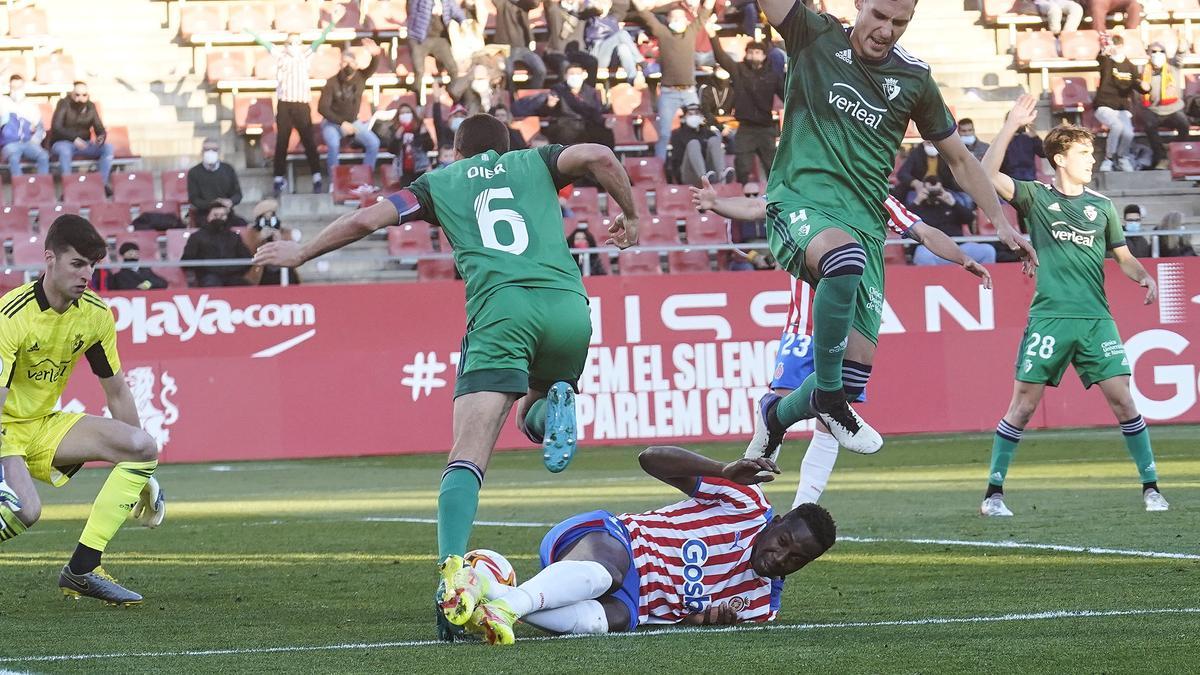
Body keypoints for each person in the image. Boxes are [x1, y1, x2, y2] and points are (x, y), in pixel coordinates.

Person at [252, 114, 641, 642]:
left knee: (467, 455)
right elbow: (599, 155)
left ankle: (453, 579)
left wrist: (299, 253)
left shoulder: (439, 183)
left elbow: (367, 220)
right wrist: (630, 214)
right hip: (570, 307)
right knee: (532, 410)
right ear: (506, 147)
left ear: (457, 152)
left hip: (503, 311)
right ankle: (552, 407)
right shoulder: (537, 162)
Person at [746, 0, 1034, 458]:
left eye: (900, 22)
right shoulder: (815, 34)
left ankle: (775, 416)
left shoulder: (914, 78)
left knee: (851, 375)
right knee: (844, 262)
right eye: (878, 15)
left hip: (865, 225)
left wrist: (1000, 220)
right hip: (801, 203)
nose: (886, 30)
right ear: (858, 5)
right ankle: (831, 401)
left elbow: (959, 159)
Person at [692, 178, 992, 507]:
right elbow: (756, 206)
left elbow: (923, 231)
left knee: (830, 420)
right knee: (779, 410)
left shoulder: (875, 196)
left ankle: (801, 509)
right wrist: (717, 203)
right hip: (803, 325)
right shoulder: (802, 189)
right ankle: (749, 507)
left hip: (851, 326)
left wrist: (962, 257)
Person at [979, 95, 1167, 516]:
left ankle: (1151, 488)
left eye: (1093, 153)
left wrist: (1143, 276)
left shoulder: (1102, 208)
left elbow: (1122, 257)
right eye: (1084, 153)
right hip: (1049, 318)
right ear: (1060, 159)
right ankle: (993, 494)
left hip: (1097, 321)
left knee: (1125, 402)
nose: (1092, 160)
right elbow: (986, 173)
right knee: (1023, 406)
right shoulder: (1035, 198)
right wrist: (1010, 124)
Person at [455, 446, 836, 645]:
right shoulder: (746, 503)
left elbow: (681, 621)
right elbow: (650, 459)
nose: (781, 557)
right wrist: (721, 470)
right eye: (784, 542)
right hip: (611, 540)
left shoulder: (760, 606)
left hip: (635, 601)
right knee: (608, 572)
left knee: (612, 621)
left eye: (797, 559)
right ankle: (507, 606)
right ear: (777, 521)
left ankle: (488, 590)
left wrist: (697, 622)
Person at [0, 215, 164, 605]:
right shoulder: (11, 314)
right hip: (5, 423)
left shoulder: (94, 315)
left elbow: (118, 392)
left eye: (92, 265)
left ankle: (83, 569)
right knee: (25, 510)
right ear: (49, 259)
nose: (86, 274)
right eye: (77, 263)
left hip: (41, 424)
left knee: (143, 447)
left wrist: (140, 475)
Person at [246, 25, 335, 196]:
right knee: (282, 141)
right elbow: (265, 43)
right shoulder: (281, 56)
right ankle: (278, 177)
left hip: (301, 104)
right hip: (285, 103)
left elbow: (319, 41)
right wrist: (250, 31)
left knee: (308, 140)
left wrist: (331, 24)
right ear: (286, 44)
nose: (294, 45)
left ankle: (316, 176)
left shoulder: (305, 56)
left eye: (297, 42)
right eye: (291, 42)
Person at [632, 0, 714, 159]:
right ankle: (659, 168)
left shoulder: (691, 31)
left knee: (697, 129)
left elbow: (706, 10)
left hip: (689, 91)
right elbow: (645, 14)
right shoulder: (663, 33)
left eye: (680, 18)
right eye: (674, 18)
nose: (677, 21)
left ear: (686, 20)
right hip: (668, 93)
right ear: (668, 20)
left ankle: (700, 166)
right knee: (663, 134)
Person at [708, 29, 783, 183]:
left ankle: (774, 201)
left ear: (764, 55)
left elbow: (786, 95)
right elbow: (721, 57)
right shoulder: (738, 70)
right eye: (750, 52)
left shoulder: (773, 75)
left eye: (757, 52)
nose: (753, 55)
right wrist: (712, 35)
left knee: (772, 167)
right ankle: (744, 198)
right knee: (742, 167)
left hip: (765, 128)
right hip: (745, 128)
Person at [318, 39, 383, 184]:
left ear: (356, 64)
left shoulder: (361, 77)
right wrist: (341, 123)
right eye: (344, 63)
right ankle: (334, 182)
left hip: (354, 122)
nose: (347, 66)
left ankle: (365, 179)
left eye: (350, 62)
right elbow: (322, 108)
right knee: (333, 144)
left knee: (373, 143)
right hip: (332, 123)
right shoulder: (331, 82)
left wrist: (376, 55)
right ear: (340, 65)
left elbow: (373, 66)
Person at [907, 176, 996, 266]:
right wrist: (917, 201)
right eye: (931, 192)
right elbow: (905, 221)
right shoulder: (918, 208)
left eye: (937, 191)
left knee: (988, 251)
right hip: (930, 249)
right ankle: (933, 280)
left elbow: (969, 218)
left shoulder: (950, 204)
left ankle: (983, 279)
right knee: (922, 255)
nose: (933, 194)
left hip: (958, 247)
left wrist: (953, 203)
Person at [1092, 35, 1146, 172]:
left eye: (1115, 45)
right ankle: (1108, 158)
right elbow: (1100, 60)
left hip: (1121, 108)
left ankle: (1122, 157)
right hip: (1104, 105)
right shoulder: (1107, 62)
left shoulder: (1130, 66)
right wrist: (1105, 52)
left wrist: (1146, 87)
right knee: (1116, 126)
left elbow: (1137, 85)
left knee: (1129, 133)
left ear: (1121, 46)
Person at [50, 81, 114, 193]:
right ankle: (68, 188)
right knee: (64, 151)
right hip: (64, 143)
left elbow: (99, 127)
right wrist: (74, 139)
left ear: (88, 95)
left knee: (108, 148)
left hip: (85, 144)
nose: (80, 98)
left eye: (84, 95)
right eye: (77, 95)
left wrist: (101, 137)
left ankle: (102, 184)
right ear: (71, 94)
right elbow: (56, 127)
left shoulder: (91, 106)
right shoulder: (63, 103)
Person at [1139, 40, 1190, 171]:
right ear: (1149, 54)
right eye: (1154, 52)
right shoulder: (1143, 70)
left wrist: (1182, 48)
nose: (1157, 54)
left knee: (1184, 125)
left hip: (1174, 108)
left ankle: (1172, 147)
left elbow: (1180, 57)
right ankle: (1161, 157)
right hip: (1153, 109)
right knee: (1149, 126)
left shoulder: (1173, 66)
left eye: (1161, 52)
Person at [540, 63, 615, 147]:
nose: (575, 76)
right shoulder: (558, 89)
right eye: (571, 74)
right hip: (565, 123)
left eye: (578, 74)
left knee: (605, 133)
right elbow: (546, 111)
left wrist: (604, 122)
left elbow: (595, 112)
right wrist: (550, 105)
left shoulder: (590, 91)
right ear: (565, 76)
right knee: (566, 132)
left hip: (585, 124)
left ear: (583, 75)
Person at [181, 205, 256, 287]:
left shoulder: (234, 236)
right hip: (208, 277)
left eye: (222, 215)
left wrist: (233, 269)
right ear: (208, 217)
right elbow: (186, 261)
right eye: (215, 215)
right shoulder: (197, 237)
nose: (219, 218)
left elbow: (246, 258)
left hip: (232, 276)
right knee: (211, 283)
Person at [407, 0, 466, 101]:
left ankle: (455, 98)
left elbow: (457, 11)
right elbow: (412, 8)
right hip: (419, 38)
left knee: (453, 68)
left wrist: (464, 22)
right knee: (419, 70)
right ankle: (418, 101)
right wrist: (432, 8)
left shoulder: (446, 1)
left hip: (439, 39)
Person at [187, 138, 246, 228]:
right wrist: (213, 204)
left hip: (226, 213)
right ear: (202, 152)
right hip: (204, 214)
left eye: (214, 150)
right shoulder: (194, 172)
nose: (210, 152)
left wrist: (230, 201)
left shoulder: (228, 169)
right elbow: (194, 199)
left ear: (219, 152)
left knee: (242, 224)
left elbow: (238, 194)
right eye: (207, 150)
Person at [240, 200, 300, 286]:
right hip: (262, 270)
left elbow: (292, 250)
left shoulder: (284, 231)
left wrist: (280, 239)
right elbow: (247, 251)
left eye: (271, 215)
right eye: (265, 217)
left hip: (281, 267)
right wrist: (260, 238)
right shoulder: (251, 232)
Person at [668, 102, 729, 186]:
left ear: (701, 116)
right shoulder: (677, 134)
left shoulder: (707, 132)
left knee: (714, 140)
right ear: (685, 117)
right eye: (690, 114)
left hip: (709, 172)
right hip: (688, 173)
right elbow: (676, 161)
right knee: (693, 143)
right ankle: (704, 178)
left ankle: (722, 175)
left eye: (696, 113)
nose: (694, 116)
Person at [0, 75, 49, 176]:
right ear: (9, 88)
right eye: (14, 87)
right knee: (14, 159)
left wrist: (35, 140)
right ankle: (20, 189)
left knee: (44, 156)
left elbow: (40, 127)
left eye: (19, 87)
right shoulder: (3, 102)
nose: (16, 91)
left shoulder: (30, 105)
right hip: (10, 143)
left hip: (28, 142)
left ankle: (41, 186)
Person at [494, 0, 548, 89]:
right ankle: (511, 98)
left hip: (524, 48)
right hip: (506, 48)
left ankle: (531, 96)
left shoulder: (523, 3)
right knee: (508, 73)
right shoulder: (502, 3)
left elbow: (535, 3)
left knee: (541, 70)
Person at [377, 103, 434, 187]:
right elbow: (391, 150)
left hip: (420, 168)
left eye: (408, 112)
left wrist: (423, 135)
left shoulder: (419, 127)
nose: (405, 115)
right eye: (402, 113)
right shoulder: (394, 129)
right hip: (404, 171)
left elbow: (429, 147)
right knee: (407, 195)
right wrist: (397, 137)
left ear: (412, 114)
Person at [544, 0, 600, 82]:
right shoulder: (554, 9)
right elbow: (547, 4)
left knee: (592, 62)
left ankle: (589, 91)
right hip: (556, 52)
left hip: (576, 51)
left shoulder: (582, 10)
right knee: (565, 65)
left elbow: (597, 10)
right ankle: (563, 93)